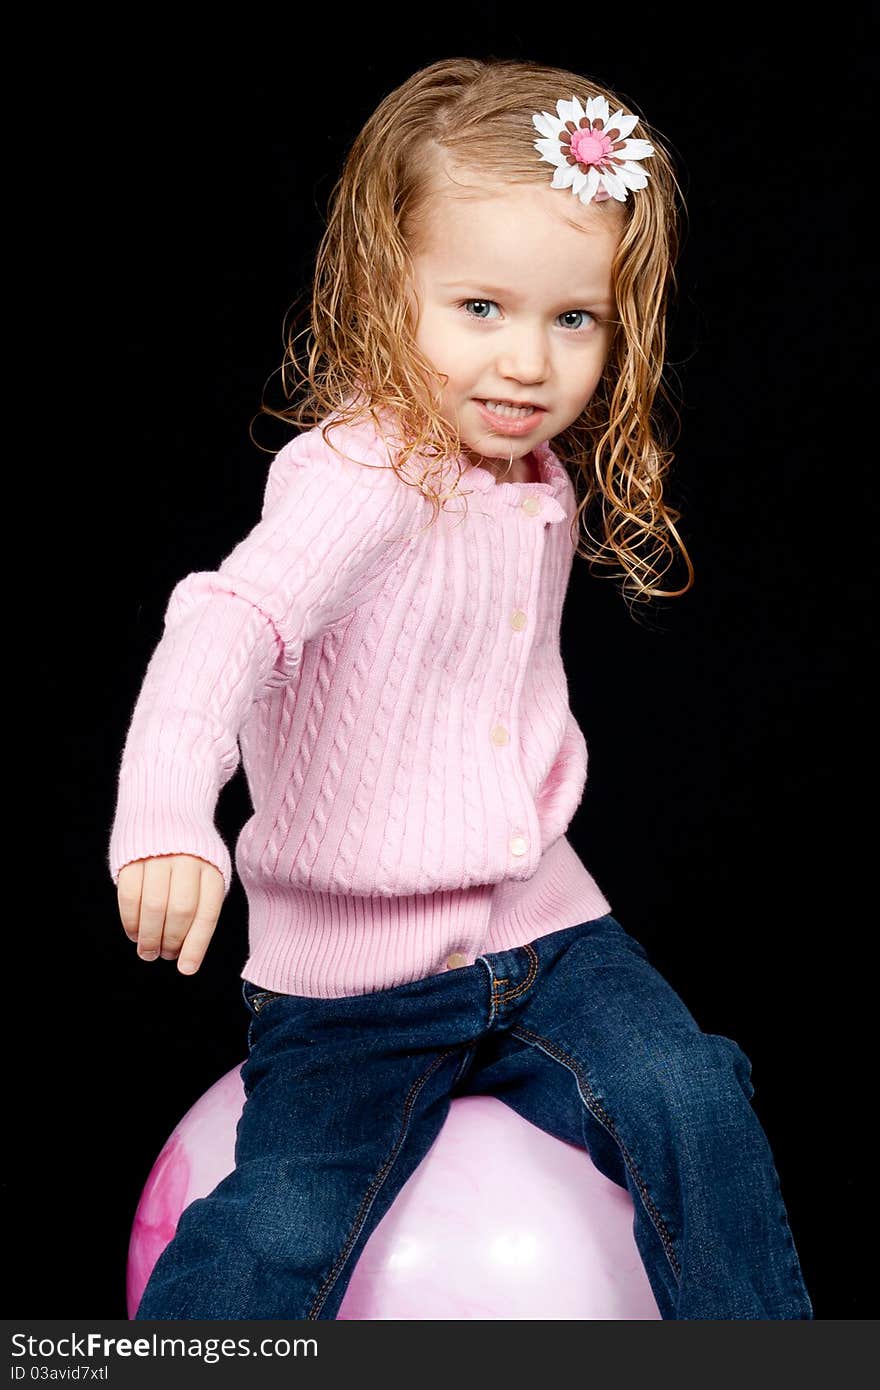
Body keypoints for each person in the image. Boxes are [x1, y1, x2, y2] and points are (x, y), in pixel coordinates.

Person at [109, 56, 814, 1320]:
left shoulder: (537, 472)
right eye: (480, 307)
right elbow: (228, 623)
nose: (527, 362)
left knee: (691, 1096)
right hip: (356, 980)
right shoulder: (360, 474)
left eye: (571, 319)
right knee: (282, 1223)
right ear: (391, 288)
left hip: (548, 934)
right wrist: (167, 816)